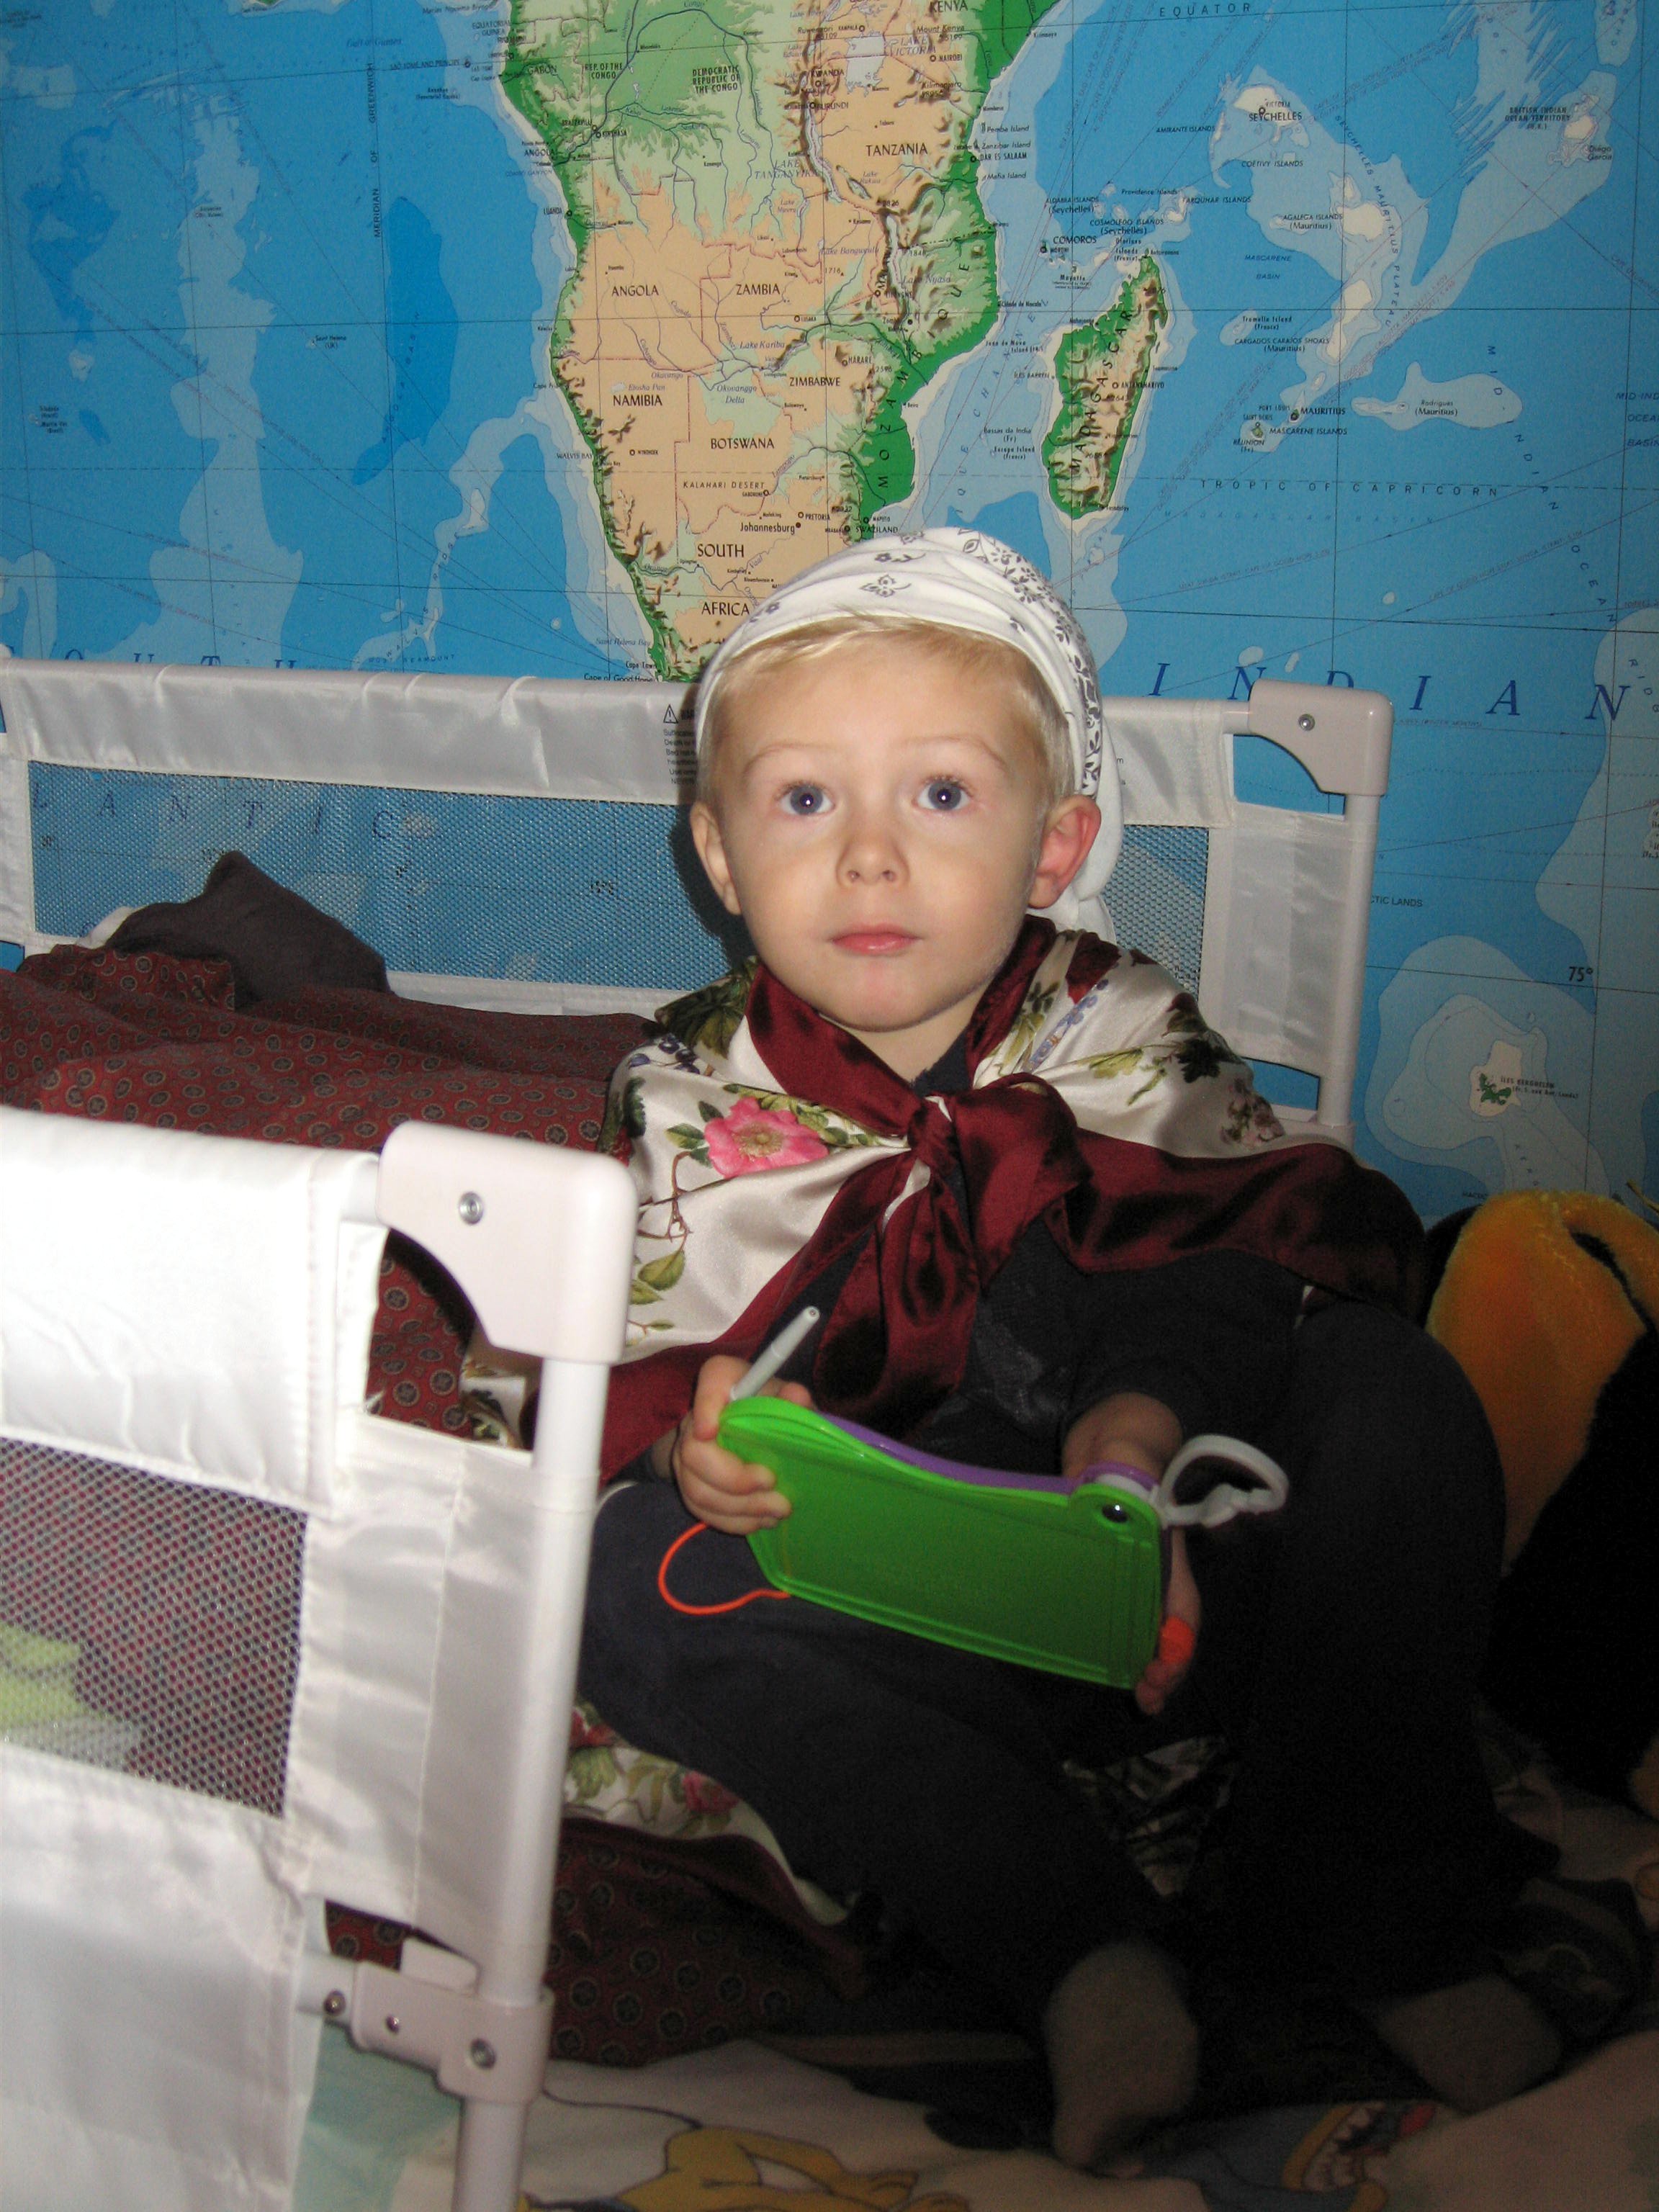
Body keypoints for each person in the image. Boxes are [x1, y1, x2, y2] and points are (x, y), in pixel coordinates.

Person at [577, 530, 1559, 2167]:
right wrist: (708, 1434)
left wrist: (1134, 1440)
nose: (871, 858)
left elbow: (1235, 1260)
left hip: (1189, 1552)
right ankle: (1076, 1950)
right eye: (806, 799)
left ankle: (1375, 1913)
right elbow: (645, 1345)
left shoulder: (1119, 1026)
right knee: (630, 1574)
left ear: (1056, 843)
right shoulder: (686, 1088)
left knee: (1392, 1388)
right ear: (720, 856)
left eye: (942, 794)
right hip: (907, 1609)